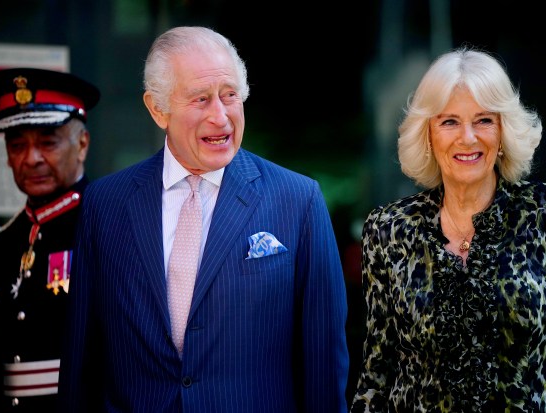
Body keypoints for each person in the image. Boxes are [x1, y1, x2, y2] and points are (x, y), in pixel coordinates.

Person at [58, 26, 349, 413]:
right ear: (158, 109)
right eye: (201, 99)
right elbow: (82, 364)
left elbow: (324, 369)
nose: (221, 116)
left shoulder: (298, 201)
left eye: (230, 96)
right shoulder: (105, 204)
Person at [350, 47, 546, 411]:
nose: (467, 138)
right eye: (449, 121)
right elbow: (376, 375)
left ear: (503, 131)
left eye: (484, 120)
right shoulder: (388, 229)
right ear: (428, 134)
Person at [0, 67, 100, 412]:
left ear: (81, 144)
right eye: (18, 145)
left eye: (47, 143)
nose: (31, 159)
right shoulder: (1, 242)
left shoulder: (108, 227)